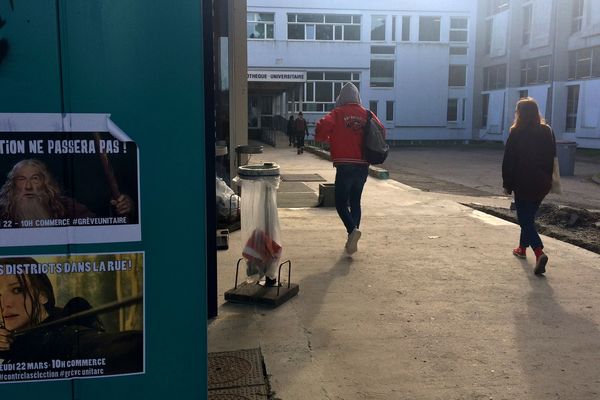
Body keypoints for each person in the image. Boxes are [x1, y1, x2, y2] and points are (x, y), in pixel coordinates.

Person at [0, 257, 143, 377]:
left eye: (17, 290)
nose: (4, 304)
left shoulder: (66, 337)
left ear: (42, 296)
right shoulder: (17, 338)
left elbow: (110, 347)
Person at [315, 82, 385, 254]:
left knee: (340, 203)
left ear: (342, 98)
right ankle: (353, 238)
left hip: (345, 165)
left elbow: (321, 127)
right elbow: (382, 130)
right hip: (363, 165)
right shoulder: (368, 114)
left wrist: (326, 138)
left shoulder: (338, 113)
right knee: (355, 202)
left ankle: (352, 231)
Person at [502, 97, 555, 275]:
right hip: (542, 183)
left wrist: (507, 184)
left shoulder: (516, 132)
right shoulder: (547, 131)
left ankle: (539, 252)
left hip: (523, 181)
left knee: (524, 220)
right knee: (529, 218)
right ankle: (521, 249)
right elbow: (552, 157)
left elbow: (509, 161)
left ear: (520, 114)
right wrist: (548, 179)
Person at [0, 159, 134, 225]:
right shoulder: (2, 212)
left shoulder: (66, 207)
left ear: (45, 183)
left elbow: (98, 226)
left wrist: (123, 209)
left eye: (35, 179)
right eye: (21, 179)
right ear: (12, 185)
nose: (28, 186)